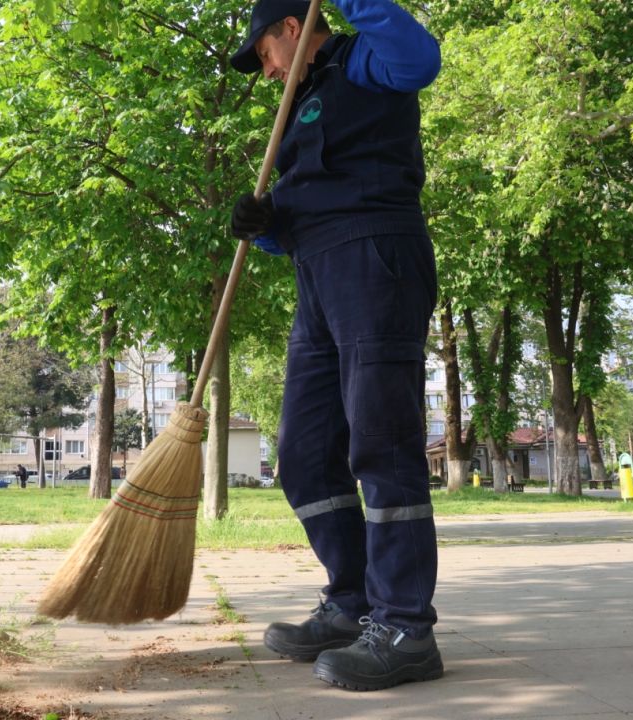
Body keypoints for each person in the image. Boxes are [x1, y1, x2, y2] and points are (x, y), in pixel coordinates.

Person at [228, 0, 442, 692]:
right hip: (317, 275)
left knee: (380, 445)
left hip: (375, 259)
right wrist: (266, 227)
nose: (264, 69)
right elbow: (303, 210)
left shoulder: (364, 59)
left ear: (293, 27)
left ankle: (405, 626)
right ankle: (352, 605)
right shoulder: (302, 100)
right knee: (305, 454)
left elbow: (422, 61)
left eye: (262, 50)